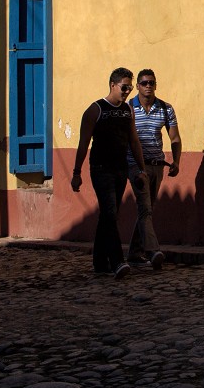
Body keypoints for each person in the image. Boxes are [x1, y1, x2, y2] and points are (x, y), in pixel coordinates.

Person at [70, 68, 148, 279]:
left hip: (120, 169)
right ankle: (117, 261)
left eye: (130, 88)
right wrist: (77, 172)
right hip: (101, 169)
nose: (127, 91)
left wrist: (141, 169)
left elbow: (134, 141)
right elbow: (83, 144)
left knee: (108, 215)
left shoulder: (127, 111)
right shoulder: (95, 110)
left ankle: (99, 261)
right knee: (110, 212)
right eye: (124, 87)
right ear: (113, 85)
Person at [126, 68, 182, 268]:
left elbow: (174, 138)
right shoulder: (128, 108)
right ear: (138, 86)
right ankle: (153, 251)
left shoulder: (166, 109)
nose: (148, 86)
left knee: (147, 210)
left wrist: (176, 161)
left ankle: (134, 253)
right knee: (145, 208)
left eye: (151, 82)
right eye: (144, 83)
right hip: (135, 166)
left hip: (157, 166)